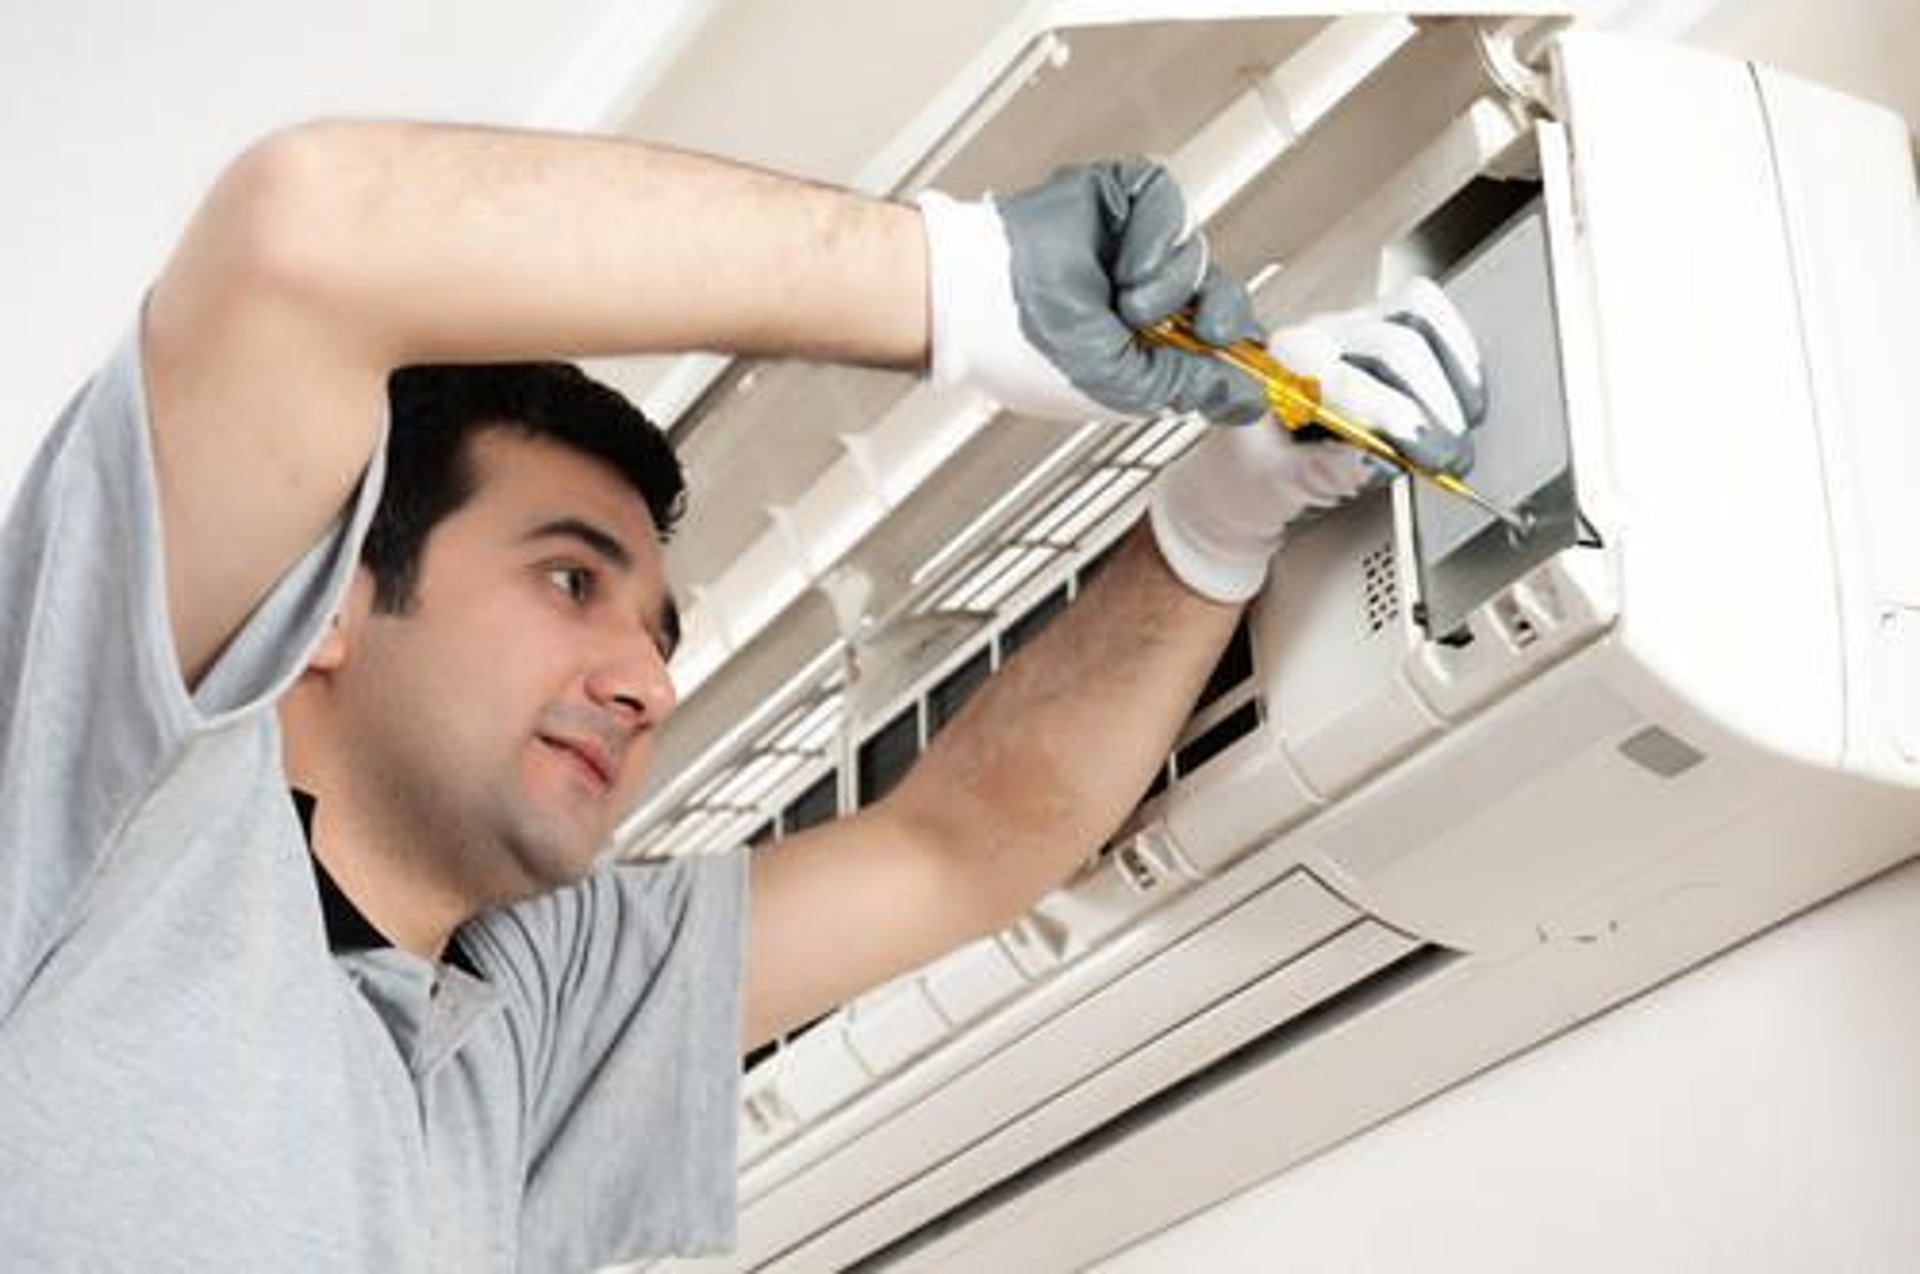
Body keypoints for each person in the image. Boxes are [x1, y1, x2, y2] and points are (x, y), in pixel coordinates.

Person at [0, 124, 1482, 1269]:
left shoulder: (520, 1015)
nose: (646, 681)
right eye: (570, 581)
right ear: (328, 605)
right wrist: (952, 286)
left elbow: (957, 847)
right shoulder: (120, 815)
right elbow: (300, 232)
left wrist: (1221, 524)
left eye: (657, 630)